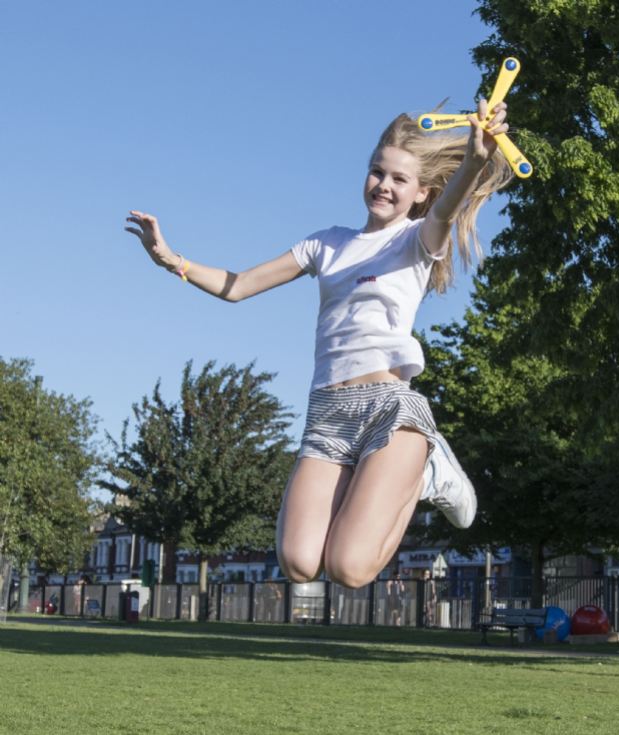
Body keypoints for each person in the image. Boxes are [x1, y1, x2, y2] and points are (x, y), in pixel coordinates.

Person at [125, 98, 512, 589]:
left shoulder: (417, 240)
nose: (384, 186)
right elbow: (239, 286)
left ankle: (428, 465)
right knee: (300, 563)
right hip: (328, 411)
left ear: (421, 194)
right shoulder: (325, 244)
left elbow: (448, 210)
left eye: (399, 179)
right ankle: (413, 471)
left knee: (349, 569)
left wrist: (477, 161)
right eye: (378, 172)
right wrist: (171, 260)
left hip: (388, 409)